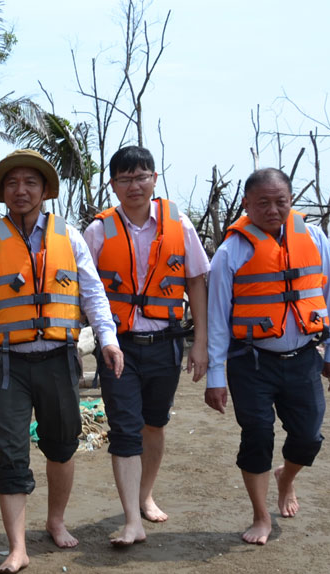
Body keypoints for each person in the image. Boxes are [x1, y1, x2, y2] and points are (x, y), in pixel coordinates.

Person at [0, 149, 124, 574]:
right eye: (13, 184)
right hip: (8, 363)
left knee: (62, 445)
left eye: (31, 182)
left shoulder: (70, 237)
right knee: (9, 451)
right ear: (3, 193)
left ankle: (56, 520)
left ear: (46, 190)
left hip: (60, 359)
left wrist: (108, 338)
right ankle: (17, 547)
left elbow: (93, 294)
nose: (21, 190)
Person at [203, 167, 330, 545]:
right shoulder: (229, 252)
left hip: (303, 357)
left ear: (291, 201)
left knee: (308, 436)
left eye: (280, 201)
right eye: (262, 203)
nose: (272, 209)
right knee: (256, 436)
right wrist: (216, 378)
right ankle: (260, 515)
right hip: (250, 361)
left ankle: (287, 477)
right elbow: (217, 319)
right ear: (246, 204)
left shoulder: (314, 238)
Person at [82, 145, 210, 547]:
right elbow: (84, 291)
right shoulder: (98, 231)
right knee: (123, 428)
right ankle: (130, 520)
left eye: (141, 177)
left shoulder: (180, 226)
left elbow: (196, 282)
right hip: (117, 346)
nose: (134, 185)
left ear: (155, 179)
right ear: (113, 185)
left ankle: (145, 495)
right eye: (124, 179)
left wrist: (200, 342)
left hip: (166, 341)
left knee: (154, 424)